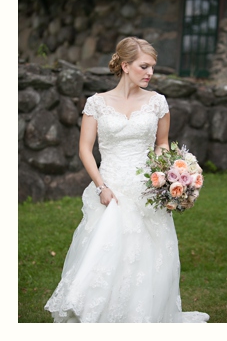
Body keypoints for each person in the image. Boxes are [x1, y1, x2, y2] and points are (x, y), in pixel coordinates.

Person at [44, 37, 209, 323]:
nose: (150, 73)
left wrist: (174, 174)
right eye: (144, 66)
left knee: (147, 256)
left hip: (147, 187)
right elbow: (85, 149)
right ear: (125, 65)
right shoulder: (97, 103)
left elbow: (162, 144)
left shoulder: (158, 102)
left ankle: (143, 317)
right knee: (105, 252)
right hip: (112, 186)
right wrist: (101, 186)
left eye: (152, 67)